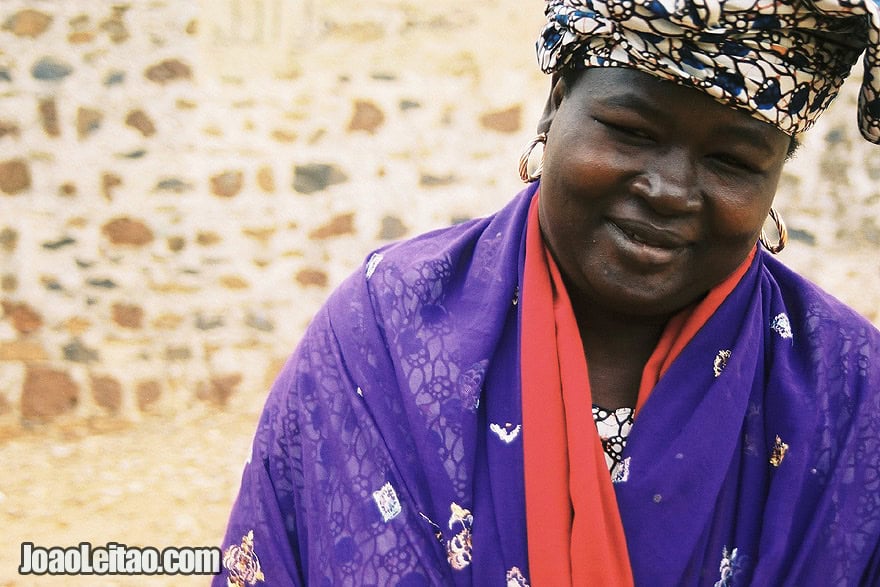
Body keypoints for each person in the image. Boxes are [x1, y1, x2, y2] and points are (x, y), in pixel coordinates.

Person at [215, 0, 880, 585]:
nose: (671, 190)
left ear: (775, 179)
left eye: (733, 161)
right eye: (631, 131)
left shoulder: (849, 394)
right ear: (555, 104)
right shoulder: (384, 331)